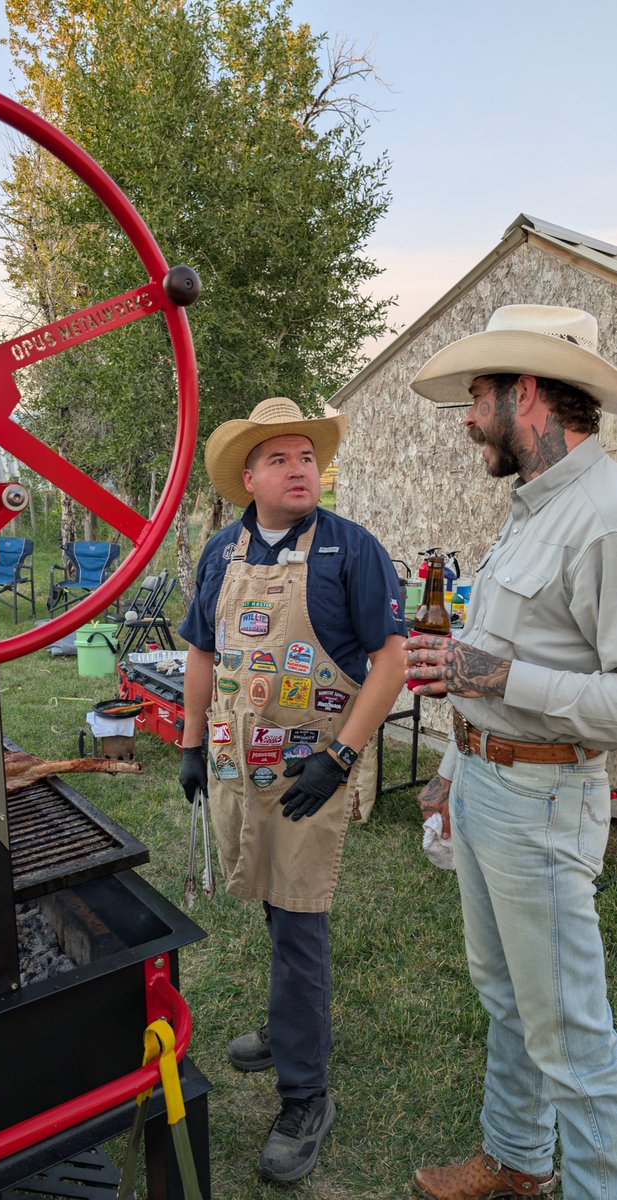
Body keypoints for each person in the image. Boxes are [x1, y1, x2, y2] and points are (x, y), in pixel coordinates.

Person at [406, 305, 617, 1200]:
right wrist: (454, 770)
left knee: (568, 1037)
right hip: (491, 785)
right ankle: (517, 1159)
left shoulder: (603, 517)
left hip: (545, 800)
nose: (466, 420)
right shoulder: (534, 509)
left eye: (476, 397)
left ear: (525, 395)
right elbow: (484, 655)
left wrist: (504, 680)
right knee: (504, 998)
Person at [178, 396, 407, 1184]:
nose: (299, 468)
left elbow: (390, 664)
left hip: (315, 772)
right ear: (248, 477)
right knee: (271, 902)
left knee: (302, 918)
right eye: (279, 458)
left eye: (306, 456)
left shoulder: (352, 550)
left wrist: (340, 759)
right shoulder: (220, 552)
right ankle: (289, 1028)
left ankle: (305, 1094)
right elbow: (204, 653)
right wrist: (188, 743)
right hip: (242, 764)